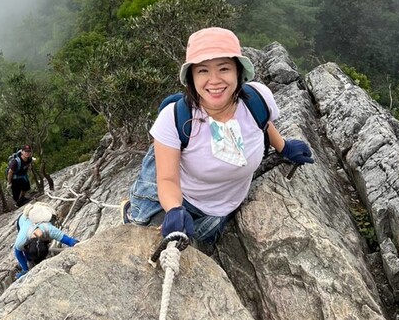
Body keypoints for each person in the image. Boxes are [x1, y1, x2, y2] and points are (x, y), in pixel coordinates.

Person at [122, 27, 314, 249]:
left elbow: (261, 124)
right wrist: (174, 209)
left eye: (224, 68)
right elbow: (167, 179)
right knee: (152, 244)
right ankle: (134, 213)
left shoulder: (258, 99)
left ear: (238, 72)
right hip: (174, 196)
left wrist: (284, 147)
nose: (214, 80)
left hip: (219, 211)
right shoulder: (173, 119)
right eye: (203, 71)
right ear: (192, 78)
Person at [14, 202, 79, 277]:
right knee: (27, 255)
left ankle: (34, 259)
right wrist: (25, 269)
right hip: (23, 219)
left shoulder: (50, 230)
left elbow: (69, 241)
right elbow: (17, 251)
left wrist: (77, 244)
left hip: (39, 214)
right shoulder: (21, 240)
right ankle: (29, 260)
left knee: (34, 253)